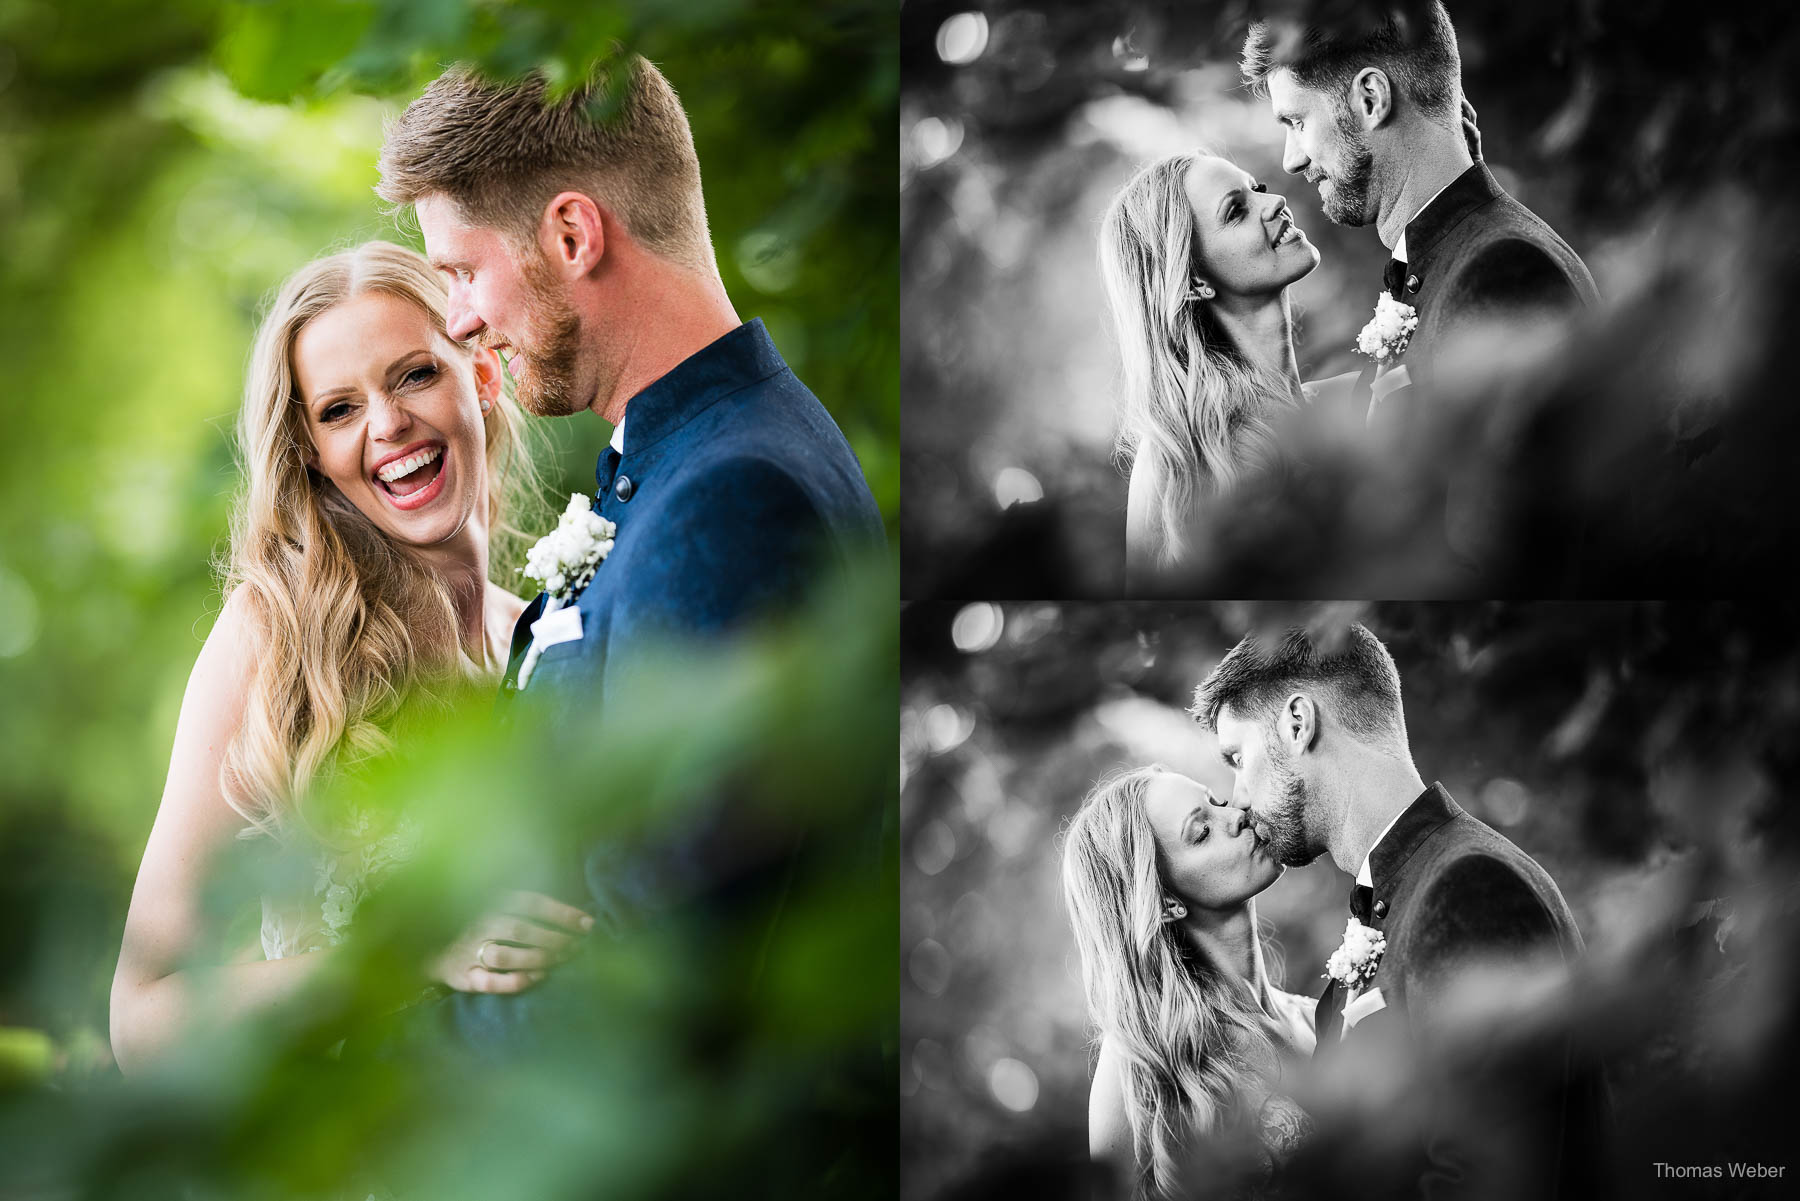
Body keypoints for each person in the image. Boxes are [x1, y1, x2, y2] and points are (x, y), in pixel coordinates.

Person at [369, 55, 885, 1041]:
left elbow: (668, 991)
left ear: (571, 233)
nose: (462, 320)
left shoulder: (732, 493)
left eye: (465, 271)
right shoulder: (691, 453)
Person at [110, 242, 592, 1074]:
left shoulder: (551, 632)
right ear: (312, 452)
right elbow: (142, 1015)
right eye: (338, 410)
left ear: (480, 375)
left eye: (413, 374)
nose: (386, 424)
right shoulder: (277, 638)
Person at [1192, 622, 1609, 1199]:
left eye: (1238, 757)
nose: (1236, 795)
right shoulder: (1405, 890)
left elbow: (1488, 1175)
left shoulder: (1469, 885)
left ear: (1297, 722)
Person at [1242, 2, 1597, 427]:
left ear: (1371, 98)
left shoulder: (1500, 272)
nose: (1291, 161)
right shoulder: (1448, 259)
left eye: (1297, 122)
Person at [1061, 765, 1316, 1200]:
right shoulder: (1142, 1064)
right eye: (1202, 831)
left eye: (1216, 803)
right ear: (1164, 901)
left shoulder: (1317, 1012)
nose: (1235, 816)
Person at [1098, 152, 1336, 586]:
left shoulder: (1350, 401)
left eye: (1257, 189)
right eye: (1237, 211)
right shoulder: (1182, 460)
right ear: (1194, 280)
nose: (1275, 202)